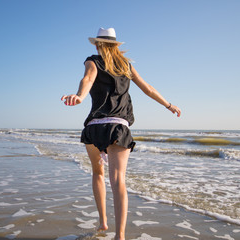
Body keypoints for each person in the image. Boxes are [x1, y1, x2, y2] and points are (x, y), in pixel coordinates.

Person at [61, 27, 181, 240]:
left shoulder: (93, 61)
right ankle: (120, 236)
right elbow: (149, 89)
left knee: (98, 173)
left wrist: (80, 97)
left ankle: (103, 223)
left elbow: (88, 78)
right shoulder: (126, 66)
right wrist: (169, 105)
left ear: (98, 44)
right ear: (116, 46)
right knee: (118, 181)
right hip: (117, 126)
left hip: (94, 126)